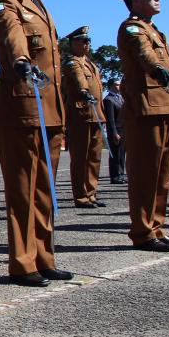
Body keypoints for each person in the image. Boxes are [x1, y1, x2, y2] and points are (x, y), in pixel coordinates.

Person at [0, 0, 72, 287]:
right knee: (23, 189)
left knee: (45, 189)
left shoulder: (38, 2)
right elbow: (12, 36)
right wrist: (21, 60)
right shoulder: (2, 4)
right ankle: (23, 262)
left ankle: (44, 256)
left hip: (50, 107)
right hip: (22, 106)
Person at [115, 0, 169, 252]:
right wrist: (159, 70)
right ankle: (143, 232)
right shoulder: (132, 28)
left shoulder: (155, 29)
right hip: (147, 107)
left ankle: (157, 227)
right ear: (135, 0)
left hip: (166, 105)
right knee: (146, 172)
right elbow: (145, 55)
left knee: (163, 173)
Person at [61, 26, 107, 208]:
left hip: (96, 115)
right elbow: (79, 79)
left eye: (89, 41)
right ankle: (81, 196)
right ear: (73, 43)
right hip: (81, 114)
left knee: (94, 157)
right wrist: (84, 91)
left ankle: (91, 193)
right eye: (83, 40)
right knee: (80, 157)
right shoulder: (72, 62)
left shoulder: (91, 63)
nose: (88, 44)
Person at [102, 78, 126, 184]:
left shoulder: (121, 98)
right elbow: (110, 119)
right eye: (117, 85)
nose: (119, 86)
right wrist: (114, 133)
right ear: (111, 86)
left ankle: (121, 174)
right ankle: (115, 176)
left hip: (123, 130)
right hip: (115, 130)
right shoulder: (108, 100)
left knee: (122, 154)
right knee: (115, 154)